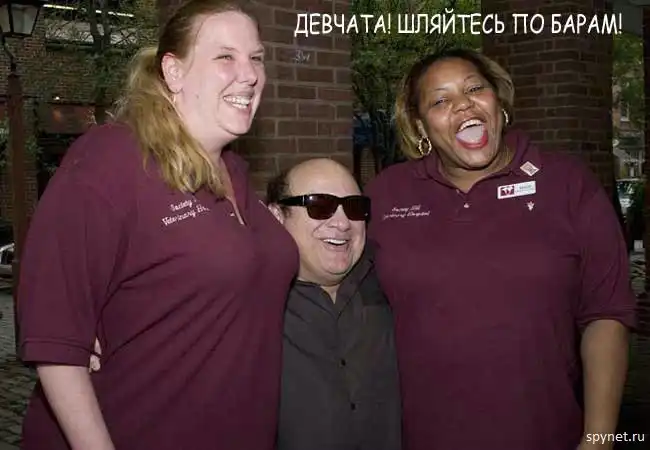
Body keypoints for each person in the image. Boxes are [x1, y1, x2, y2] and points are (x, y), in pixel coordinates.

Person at [17, 1, 298, 449]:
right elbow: (55, 339)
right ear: (174, 71)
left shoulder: (236, 173)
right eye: (225, 57)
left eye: (256, 58)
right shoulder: (112, 160)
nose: (249, 74)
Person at [364, 48, 637, 450]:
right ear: (421, 127)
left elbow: (606, 314)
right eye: (440, 101)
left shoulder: (567, 185)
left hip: (545, 434)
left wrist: (598, 440)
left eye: (475, 88)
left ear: (499, 102)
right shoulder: (386, 194)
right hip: (419, 436)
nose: (463, 105)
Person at [266, 158, 402, 450]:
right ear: (277, 216)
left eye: (354, 208)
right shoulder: (250, 307)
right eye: (320, 205)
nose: (342, 223)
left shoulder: (394, 285)